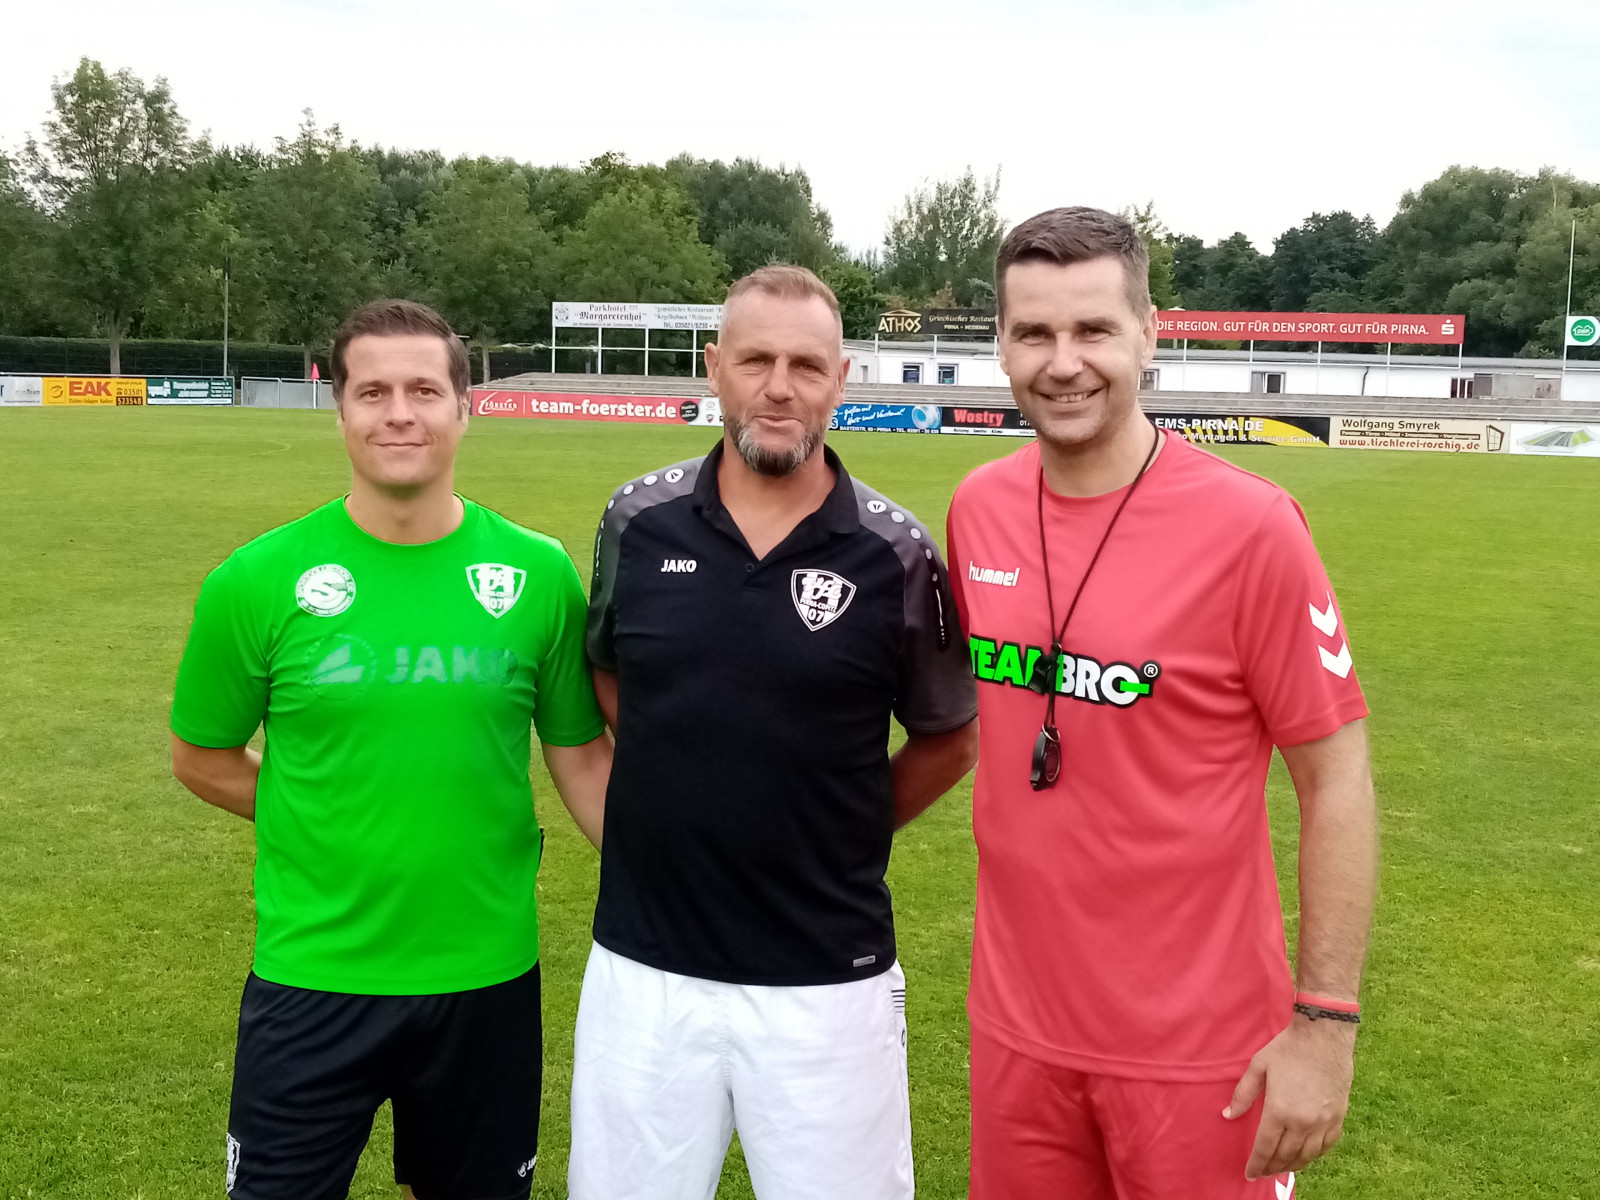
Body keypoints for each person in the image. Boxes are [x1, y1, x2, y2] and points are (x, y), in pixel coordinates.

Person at [945, 208, 1378, 1199]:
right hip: (1019, 1037)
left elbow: (1336, 776)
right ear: (1000, 345)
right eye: (1034, 333)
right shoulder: (979, 508)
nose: (1063, 362)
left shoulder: (1252, 528)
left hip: (1201, 1055)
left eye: (1093, 329)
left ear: (1149, 331)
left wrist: (1324, 1025)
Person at [169, 299, 612, 1200]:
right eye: (372, 391)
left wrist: (679, 868)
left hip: (484, 978)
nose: (398, 412)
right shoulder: (255, 581)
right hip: (313, 975)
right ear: (339, 409)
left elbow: (581, 758)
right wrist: (320, 801)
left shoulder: (538, 576)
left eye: (422, 389)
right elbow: (201, 755)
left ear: (465, 406)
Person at [571, 264, 979, 1200]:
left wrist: (839, 826)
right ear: (715, 368)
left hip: (826, 979)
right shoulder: (636, 519)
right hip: (644, 968)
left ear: (841, 378)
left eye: (805, 364)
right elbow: (606, 671)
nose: (779, 386)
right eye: (756, 359)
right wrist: (682, 786)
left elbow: (950, 735)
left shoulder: (896, 551)